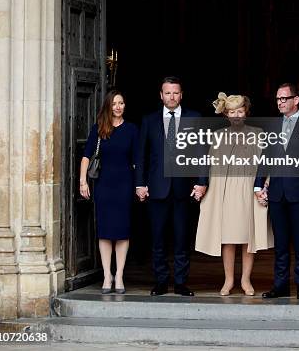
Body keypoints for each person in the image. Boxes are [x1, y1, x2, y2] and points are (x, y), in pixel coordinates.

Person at [135, 77, 207, 296]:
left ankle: (181, 282)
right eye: (168, 93)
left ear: (181, 95)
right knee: (157, 238)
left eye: (175, 93)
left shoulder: (194, 118)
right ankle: (161, 282)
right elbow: (142, 155)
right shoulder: (149, 120)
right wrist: (140, 183)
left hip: (184, 189)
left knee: (182, 238)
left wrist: (202, 182)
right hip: (156, 188)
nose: (172, 97)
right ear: (161, 95)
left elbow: (202, 153)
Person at [195, 93, 273, 296]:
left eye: (240, 111)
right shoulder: (218, 136)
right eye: (232, 112)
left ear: (246, 112)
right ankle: (229, 280)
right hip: (226, 189)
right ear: (226, 115)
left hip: (249, 189)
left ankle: (246, 280)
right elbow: (208, 165)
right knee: (228, 238)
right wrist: (202, 186)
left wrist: (264, 187)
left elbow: (266, 165)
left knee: (248, 238)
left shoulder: (259, 134)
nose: (237, 115)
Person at [255, 83, 299, 300]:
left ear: (296, 100)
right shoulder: (273, 126)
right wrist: (258, 185)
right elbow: (265, 157)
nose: (281, 102)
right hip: (277, 194)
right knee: (281, 245)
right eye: (278, 99)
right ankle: (280, 286)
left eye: (285, 98)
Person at [80, 90, 138, 294]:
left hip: (124, 185)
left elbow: (137, 160)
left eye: (121, 103)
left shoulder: (132, 130)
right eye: (114, 103)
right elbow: (86, 156)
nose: (118, 107)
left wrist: (140, 184)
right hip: (104, 185)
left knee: (122, 232)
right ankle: (107, 275)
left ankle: (119, 275)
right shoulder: (99, 128)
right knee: (105, 233)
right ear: (108, 106)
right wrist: (82, 181)